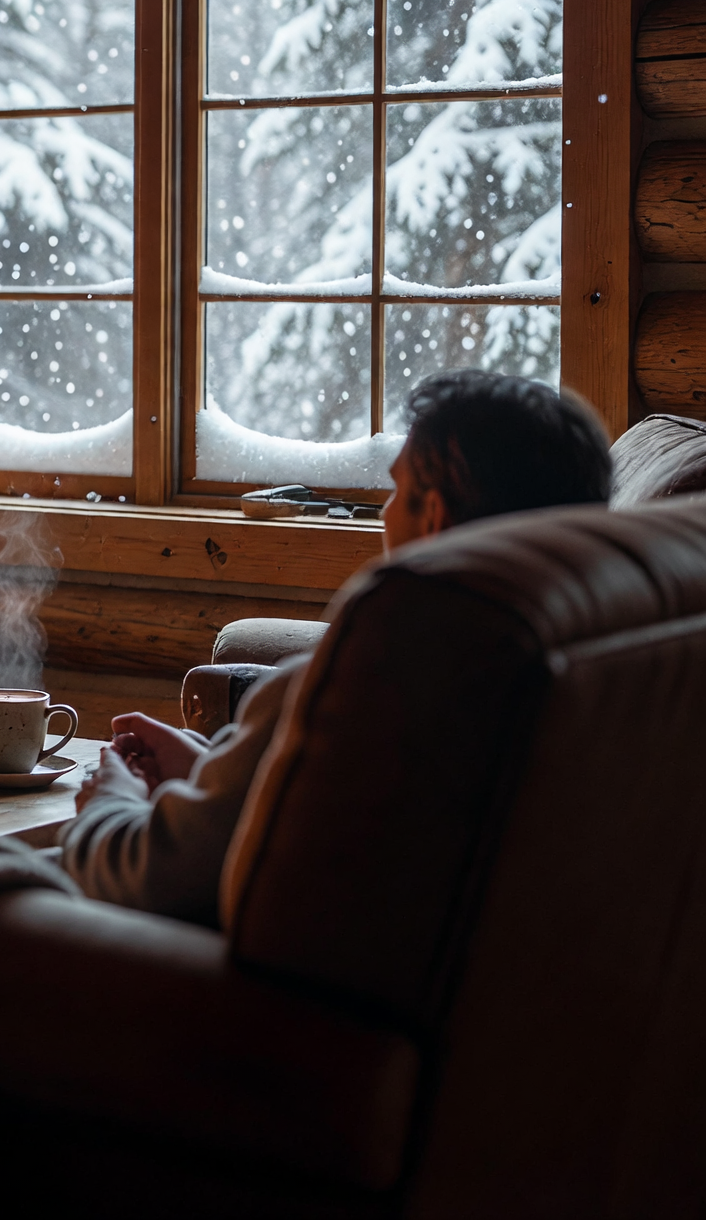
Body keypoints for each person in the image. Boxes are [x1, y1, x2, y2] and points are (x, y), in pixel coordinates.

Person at [58, 369, 613, 924]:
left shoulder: (359, 683)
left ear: (434, 515)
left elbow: (145, 875)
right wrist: (215, 770)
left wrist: (108, 798)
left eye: (397, 492)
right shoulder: (590, 672)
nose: (386, 514)